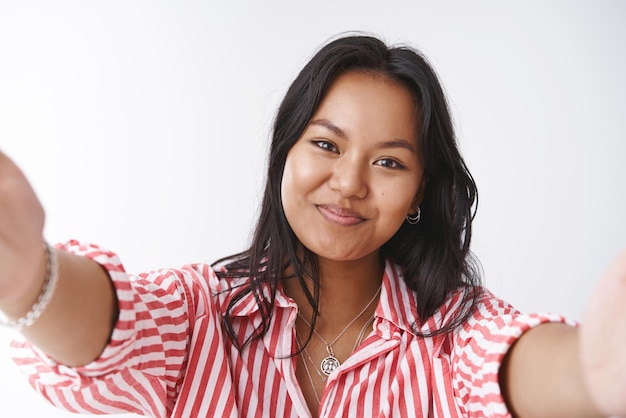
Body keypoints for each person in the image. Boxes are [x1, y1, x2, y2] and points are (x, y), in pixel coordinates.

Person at [0, 33, 624, 418]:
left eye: (388, 161)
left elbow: (510, 363)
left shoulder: (454, 335)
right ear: (285, 155)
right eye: (326, 145)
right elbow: (122, 326)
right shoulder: (201, 316)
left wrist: (588, 374)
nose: (350, 182)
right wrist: (34, 278)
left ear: (418, 192)